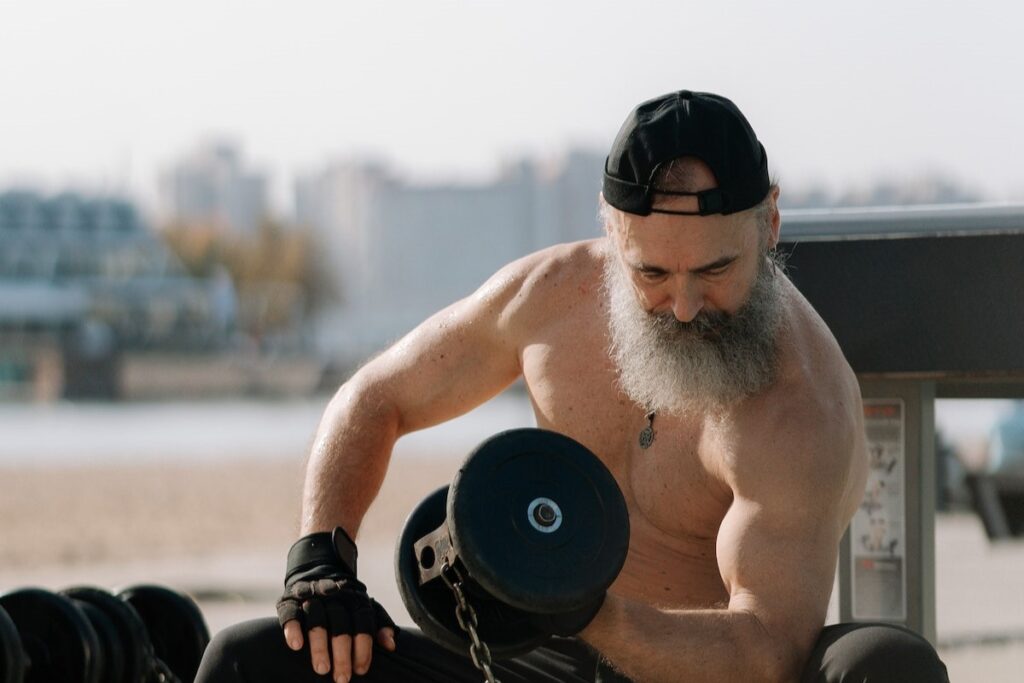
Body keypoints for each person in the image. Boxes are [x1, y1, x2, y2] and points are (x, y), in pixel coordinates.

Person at [196, 90, 949, 682]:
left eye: (715, 271)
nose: (684, 307)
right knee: (249, 659)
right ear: (611, 230)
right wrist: (320, 557)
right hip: (529, 659)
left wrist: (586, 610)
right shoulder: (551, 298)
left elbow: (765, 651)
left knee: (884, 665)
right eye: (652, 272)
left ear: (769, 224)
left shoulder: (797, 404)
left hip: (695, 673)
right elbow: (375, 396)